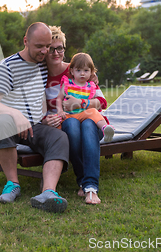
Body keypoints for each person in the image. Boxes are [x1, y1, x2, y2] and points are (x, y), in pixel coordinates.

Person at [0, 22, 70, 213]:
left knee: (60, 137)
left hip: (35, 126)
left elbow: (70, 68)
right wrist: (16, 115)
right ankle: (12, 184)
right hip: (9, 126)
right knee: (1, 121)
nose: (45, 51)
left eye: (47, 46)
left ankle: (48, 192)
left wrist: (92, 78)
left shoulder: (42, 64)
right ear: (26, 41)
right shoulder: (7, 66)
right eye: (39, 46)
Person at [43, 26, 108, 205]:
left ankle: (90, 187)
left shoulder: (79, 69)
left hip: (91, 120)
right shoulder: (40, 75)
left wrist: (80, 104)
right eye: (51, 48)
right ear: (44, 50)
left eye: (60, 48)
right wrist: (45, 120)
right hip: (64, 122)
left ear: (64, 49)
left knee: (87, 125)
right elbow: (36, 109)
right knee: (72, 127)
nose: (56, 53)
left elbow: (101, 102)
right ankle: (83, 181)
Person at [55, 52, 114, 143]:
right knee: (56, 121)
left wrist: (82, 103)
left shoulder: (91, 85)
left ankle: (105, 128)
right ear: (72, 71)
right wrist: (60, 111)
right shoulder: (67, 84)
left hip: (84, 114)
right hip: (69, 114)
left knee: (94, 112)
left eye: (86, 70)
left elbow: (102, 103)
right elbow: (59, 98)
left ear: (91, 72)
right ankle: (57, 140)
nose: (82, 73)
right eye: (78, 70)